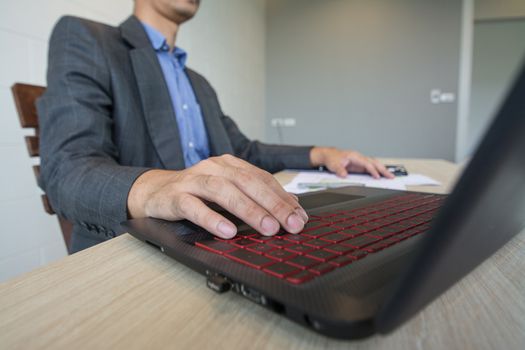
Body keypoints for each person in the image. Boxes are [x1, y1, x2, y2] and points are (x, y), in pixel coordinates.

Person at [37, 0, 393, 253]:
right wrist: (158, 187)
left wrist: (323, 153)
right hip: (133, 252)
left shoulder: (199, 84)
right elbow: (68, 168)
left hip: (223, 239)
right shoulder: (84, 36)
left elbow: (245, 151)